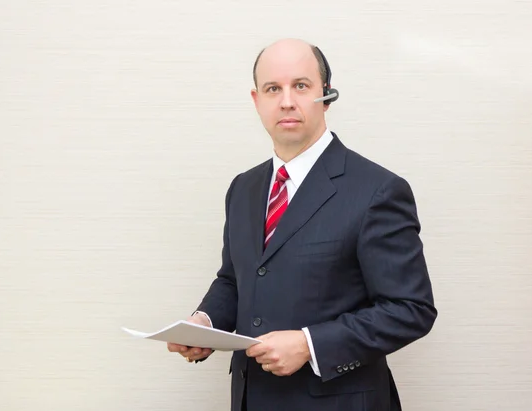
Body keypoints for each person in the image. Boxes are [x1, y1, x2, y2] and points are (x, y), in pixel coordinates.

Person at [167, 38, 437, 411]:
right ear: (256, 100)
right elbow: (235, 279)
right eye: (273, 89)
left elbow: (411, 308)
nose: (287, 101)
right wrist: (205, 323)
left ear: (325, 94)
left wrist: (310, 345)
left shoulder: (377, 190)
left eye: (301, 86)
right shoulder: (243, 188)